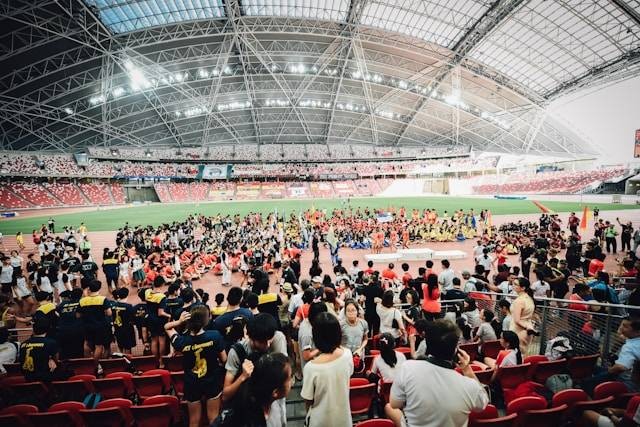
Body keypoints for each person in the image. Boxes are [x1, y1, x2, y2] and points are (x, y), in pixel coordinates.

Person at [385, 319, 489, 427]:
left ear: (427, 344)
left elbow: (394, 403)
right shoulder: (470, 385)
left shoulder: (407, 368)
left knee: (389, 408)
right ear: (455, 350)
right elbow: (482, 403)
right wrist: (467, 370)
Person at [166, 305, 227, 426]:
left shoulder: (181, 341)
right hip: (212, 381)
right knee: (213, 418)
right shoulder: (215, 336)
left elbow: (167, 327)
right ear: (206, 320)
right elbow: (224, 360)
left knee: (194, 420)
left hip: (192, 383)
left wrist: (179, 321)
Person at [223, 312, 288, 425]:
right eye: (262, 342)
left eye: (270, 340)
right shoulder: (237, 352)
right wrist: (243, 377)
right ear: (250, 337)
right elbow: (226, 394)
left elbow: (283, 375)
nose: (268, 345)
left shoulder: (278, 338)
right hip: (249, 411)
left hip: (274, 406)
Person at [300, 312, 353, 427]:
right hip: (344, 418)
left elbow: (308, 401)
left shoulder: (311, 368)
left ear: (316, 337)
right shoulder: (347, 355)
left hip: (320, 421)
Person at [214, 353, 292, 427]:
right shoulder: (244, 417)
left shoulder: (274, 404)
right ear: (275, 392)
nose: (291, 381)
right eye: (289, 378)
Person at [19, 317, 65, 382]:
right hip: (44, 378)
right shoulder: (51, 343)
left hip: (27, 378)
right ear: (47, 329)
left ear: (33, 329)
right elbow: (57, 360)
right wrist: (50, 359)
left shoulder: (23, 344)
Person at [79, 280, 112, 360]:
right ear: (99, 288)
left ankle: (91, 361)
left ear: (89, 288)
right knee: (99, 346)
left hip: (87, 326)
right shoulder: (103, 299)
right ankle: (97, 365)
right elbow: (109, 313)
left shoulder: (82, 300)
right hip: (100, 326)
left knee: (89, 344)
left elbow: (78, 315)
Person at [510, 277, 536, 354]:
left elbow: (517, 320)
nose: (513, 286)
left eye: (515, 284)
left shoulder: (519, 301)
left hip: (518, 330)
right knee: (523, 353)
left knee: (516, 355)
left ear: (523, 288)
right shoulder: (529, 298)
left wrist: (527, 327)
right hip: (528, 328)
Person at [112, 288, 136, 355]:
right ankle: (128, 363)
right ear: (127, 295)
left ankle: (122, 359)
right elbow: (133, 318)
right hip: (127, 329)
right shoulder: (129, 306)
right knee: (128, 347)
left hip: (117, 328)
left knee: (120, 345)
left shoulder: (113, 306)